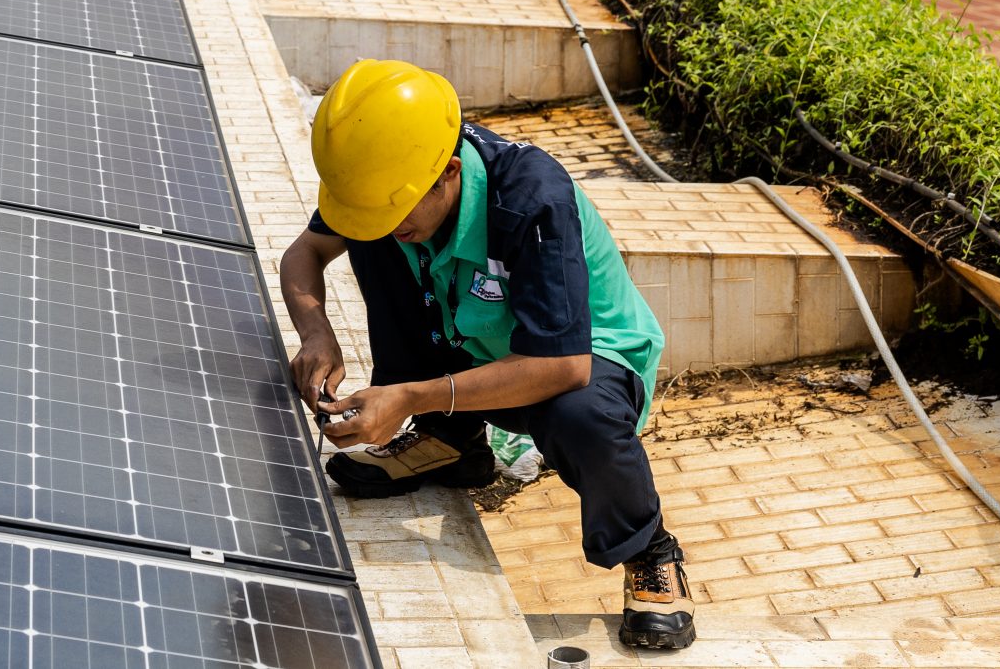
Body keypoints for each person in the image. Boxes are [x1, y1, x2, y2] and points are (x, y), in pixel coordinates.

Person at [280, 58, 697, 654]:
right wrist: (316, 333)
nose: (384, 220)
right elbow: (303, 256)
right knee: (379, 246)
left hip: (582, 364)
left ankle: (649, 548)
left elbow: (564, 366)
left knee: (576, 414)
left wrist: (410, 396)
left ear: (449, 173)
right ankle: (452, 447)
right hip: (476, 348)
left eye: (395, 209)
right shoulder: (395, 180)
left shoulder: (531, 201)